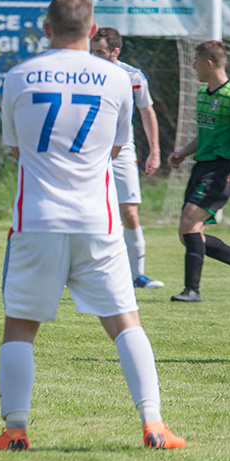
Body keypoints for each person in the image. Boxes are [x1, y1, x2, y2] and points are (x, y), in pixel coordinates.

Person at [0, 0, 185, 451]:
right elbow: (115, 150)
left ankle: (15, 430)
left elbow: (16, 148)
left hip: (36, 219)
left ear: (46, 28)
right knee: (125, 321)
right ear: (92, 32)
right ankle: (154, 425)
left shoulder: (18, 77)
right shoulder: (116, 80)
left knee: (20, 326)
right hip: (99, 220)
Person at [167, 40, 230, 302]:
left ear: (209, 63)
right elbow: (204, 135)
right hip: (202, 167)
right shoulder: (203, 94)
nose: (193, 66)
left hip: (223, 168)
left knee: (189, 222)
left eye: (196, 62)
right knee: (188, 235)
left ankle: (192, 291)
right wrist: (183, 153)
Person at [91, 27, 164, 289]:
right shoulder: (83, 73)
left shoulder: (132, 76)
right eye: (93, 52)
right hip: (89, 149)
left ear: (115, 51)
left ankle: (137, 275)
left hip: (122, 150)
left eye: (101, 52)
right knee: (90, 210)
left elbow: (147, 112)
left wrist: (154, 151)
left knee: (130, 212)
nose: (96, 57)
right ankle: (81, 273)